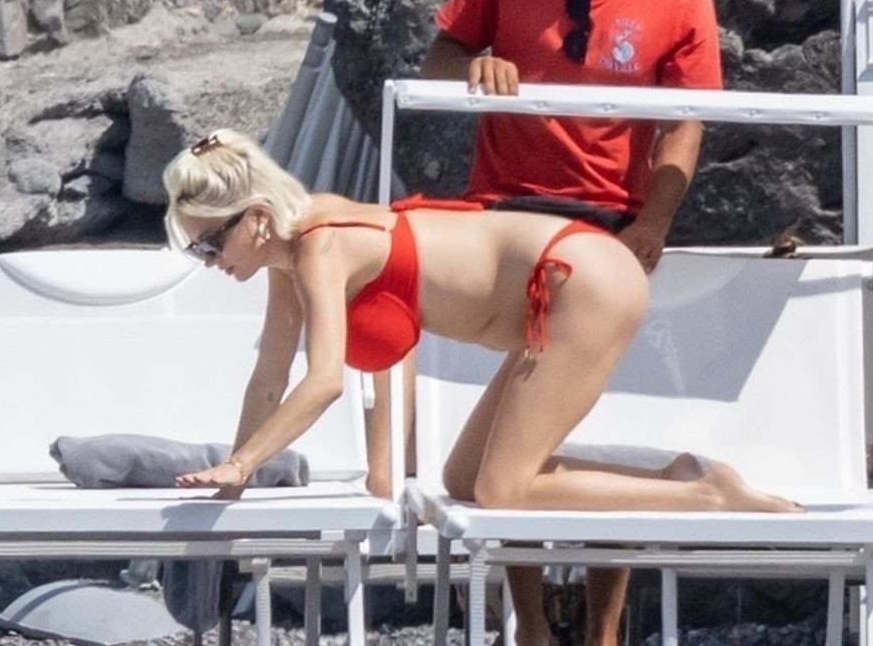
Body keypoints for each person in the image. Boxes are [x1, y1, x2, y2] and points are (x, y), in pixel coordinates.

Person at [416, 0, 722, 646]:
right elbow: (437, 61)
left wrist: (652, 225)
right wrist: (475, 71)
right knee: (504, 458)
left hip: (598, 236)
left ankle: (601, 635)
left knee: (510, 461)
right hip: (506, 221)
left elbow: (685, 124)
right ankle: (538, 634)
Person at [162, 131, 792, 522]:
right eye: (196, 250)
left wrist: (242, 464)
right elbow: (268, 379)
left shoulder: (321, 245)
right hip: (566, 281)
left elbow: (324, 380)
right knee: (465, 480)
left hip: (579, 278)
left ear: (256, 218)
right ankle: (676, 479)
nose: (208, 262)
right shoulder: (288, 257)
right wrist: (229, 489)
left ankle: (709, 497)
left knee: (502, 490)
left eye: (209, 244)